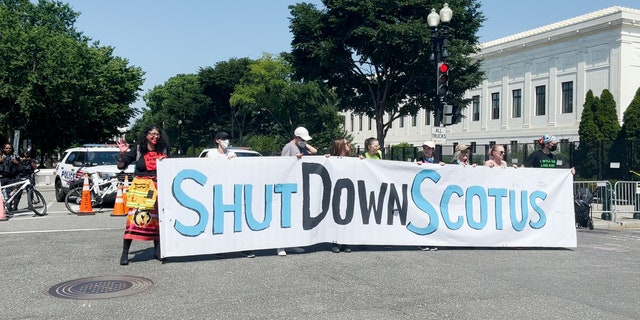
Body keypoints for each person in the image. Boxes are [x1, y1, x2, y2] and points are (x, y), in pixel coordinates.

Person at [116, 125, 168, 265]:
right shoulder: (138, 150)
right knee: (134, 220)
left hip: (158, 188)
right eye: (152, 134)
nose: (155, 136)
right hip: (141, 189)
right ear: (146, 135)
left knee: (157, 221)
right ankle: (125, 253)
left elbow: (172, 167)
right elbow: (121, 166)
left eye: (157, 134)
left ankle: (158, 251)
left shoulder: (163, 150)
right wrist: (123, 153)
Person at [207, 132, 255, 258]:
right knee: (219, 220)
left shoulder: (232, 154)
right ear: (217, 140)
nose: (226, 141)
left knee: (236, 219)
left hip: (232, 190)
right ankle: (219, 247)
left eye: (227, 139)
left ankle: (243, 247)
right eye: (223, 139)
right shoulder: (211, 154)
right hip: (216, 190)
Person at [276, 126, 316, 256]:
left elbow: (315, 151)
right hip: (288, 185)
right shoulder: (289, 147)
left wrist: (305, 144)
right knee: (285, 215)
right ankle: (280, 245)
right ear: (296, 137)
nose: (303, 141)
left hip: (298, 185)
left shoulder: (301, 146)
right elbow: (282, 164)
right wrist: (295, 158)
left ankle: (292, 243)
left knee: (295, 216)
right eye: (302, 138)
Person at [325, 137, 352, 253]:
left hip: (349, 192)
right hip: (336, 192)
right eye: (346, 144)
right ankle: (335, 241)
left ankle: (346, 241)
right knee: (336, 215)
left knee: (348, 214)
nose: (349, 145)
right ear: (340, 145)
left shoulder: (352, 160)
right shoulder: (332, 159)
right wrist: (326, 159)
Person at [0, 144, 22, 211]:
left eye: (9, 148)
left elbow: (20, 167)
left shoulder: (15, 156)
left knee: (16, 191)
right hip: (4, 177)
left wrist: (16, 162)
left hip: (13, 177)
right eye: (6, 148)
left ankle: (14, 206)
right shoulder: (1, 156)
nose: (8, 149)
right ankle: (6, 206)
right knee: (5, 194)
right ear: (4, 149)